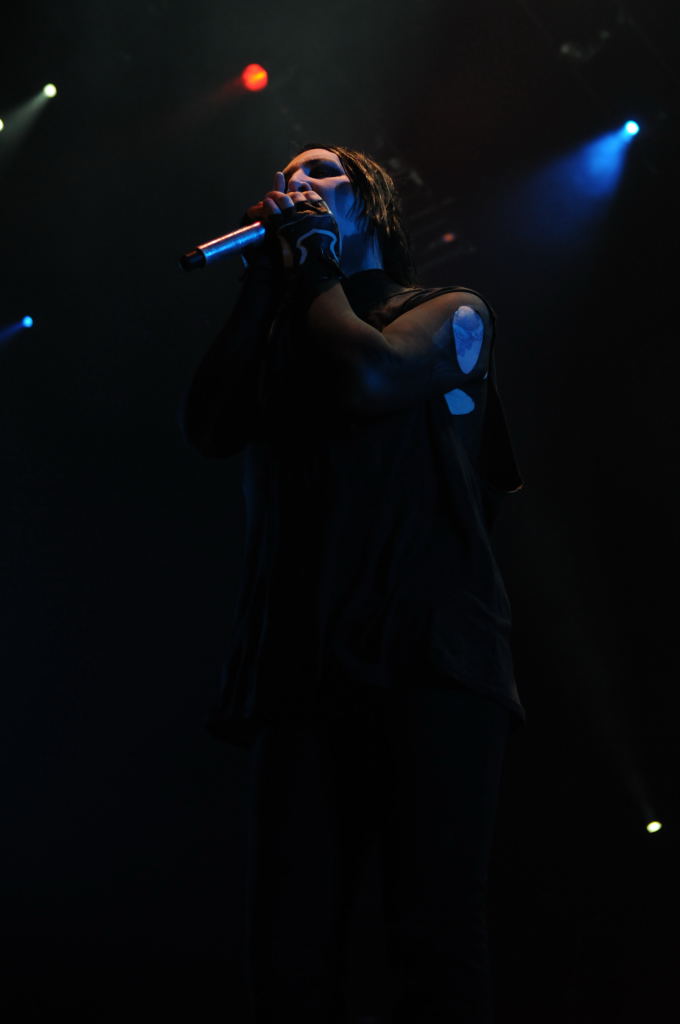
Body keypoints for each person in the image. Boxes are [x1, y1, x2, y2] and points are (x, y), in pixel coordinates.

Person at [179, 143, 526, 1023]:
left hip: (431, 656)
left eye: (321, 174)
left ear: (372, 206)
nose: (294, 185)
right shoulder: (286, 337)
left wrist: (314, 264)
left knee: (431, 930)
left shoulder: (449, 311)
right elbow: (210, 427)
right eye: (286, 178)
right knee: (286, 943)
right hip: (304, 664)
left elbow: (370, 373)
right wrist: (263, 287)